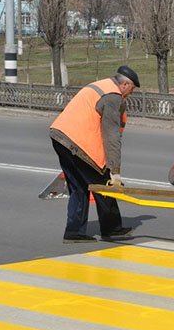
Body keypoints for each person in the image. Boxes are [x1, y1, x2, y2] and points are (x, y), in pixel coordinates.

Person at [50, 66, 140, 243]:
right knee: (104, 184)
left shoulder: (101, 85)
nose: (132, 92)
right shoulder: (113, 96)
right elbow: (111, 135)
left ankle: (74, 232)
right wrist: (114, 170)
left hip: (60, 136)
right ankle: (112, 229)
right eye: (132, 88)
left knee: (79, 187)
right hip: (79, 144)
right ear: (124, 84)